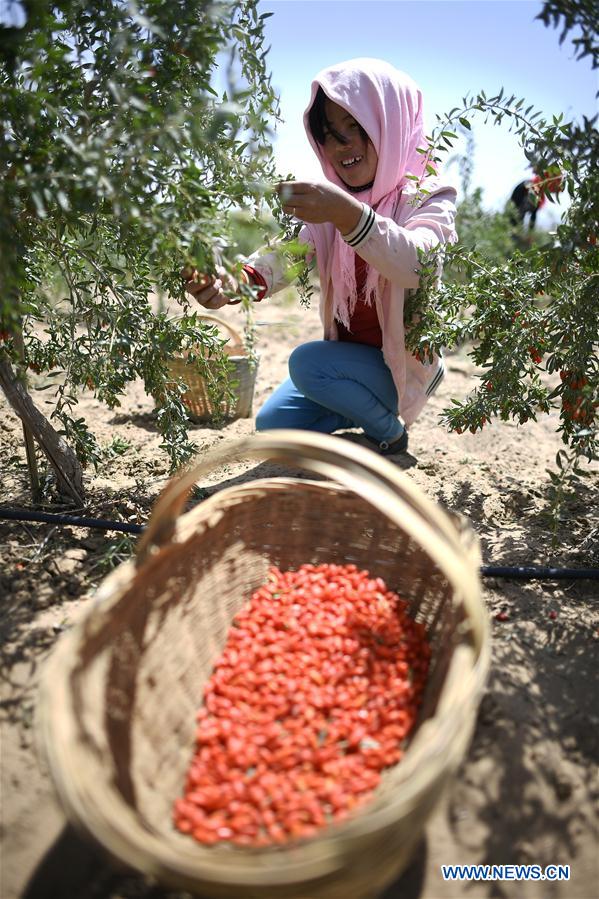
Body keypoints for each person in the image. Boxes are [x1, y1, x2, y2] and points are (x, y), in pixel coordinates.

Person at [183, 58, 457, 455]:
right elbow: (287, 253)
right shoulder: (334, 207)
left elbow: (418, 265)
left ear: (390, 125)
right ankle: (358, 407)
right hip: (348, 365)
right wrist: (233, 284)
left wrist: (348, 214)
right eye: (329, 134)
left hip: (400, 365)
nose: (341, 145)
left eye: (356, 128)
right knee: (274, 425)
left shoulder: (428, 196)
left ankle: (389, 433)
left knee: (307, 362)